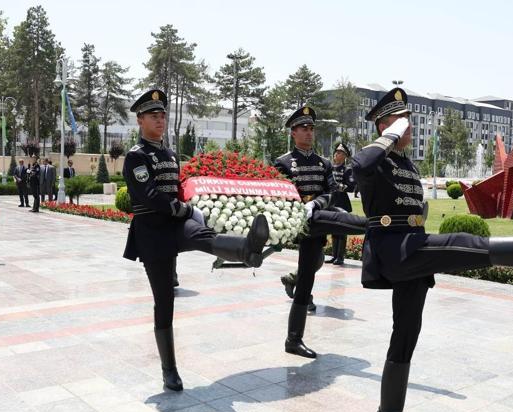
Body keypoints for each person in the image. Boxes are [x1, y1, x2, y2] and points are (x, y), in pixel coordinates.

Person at [350, 88, 513, 412]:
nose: (409, 129)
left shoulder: (405, 164)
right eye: (402, 123)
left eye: (409, 122)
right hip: (394, 249)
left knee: (406, 333)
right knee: (462, 244)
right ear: (384, 126)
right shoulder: (378, 159)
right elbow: (360, 165)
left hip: (412, 249)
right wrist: (390, 135)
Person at [123, 89, 270, 392]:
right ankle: (169, 369)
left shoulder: (169, 154)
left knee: (203, 236)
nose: (160, 120)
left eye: (163, 114)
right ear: (140, 120)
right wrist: (184, 208)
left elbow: (175, 191)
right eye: (154, 115)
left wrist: (196, 206)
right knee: (164, 302)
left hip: (175, 224)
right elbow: (148, 195)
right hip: (152, 233)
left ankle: (247, 249)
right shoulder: (136, 156)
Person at [274, 106, 368, 359]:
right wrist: (300, 207)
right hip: (298, 223)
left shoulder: (323, 163)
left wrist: (314, 204)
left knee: (308, 274)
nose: (309, 132)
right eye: (304, 128)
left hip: (317, 217)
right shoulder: (283, 162)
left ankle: (293, 340)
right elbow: (281, 193)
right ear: (293, 132)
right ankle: (376, 224)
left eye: (311, 128)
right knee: (310, 268)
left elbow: (330, 192)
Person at [326, 142, 355, 265]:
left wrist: (339, 186)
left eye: (340, 153)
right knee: (334, 230)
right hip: (332, 202)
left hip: (342, 203)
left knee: (341, 231)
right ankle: (334, 255)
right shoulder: (330, 168)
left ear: (345, 157)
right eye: (336, 152)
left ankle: (340, 257)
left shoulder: (347, 170)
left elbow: (352, 186)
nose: (337, 155)